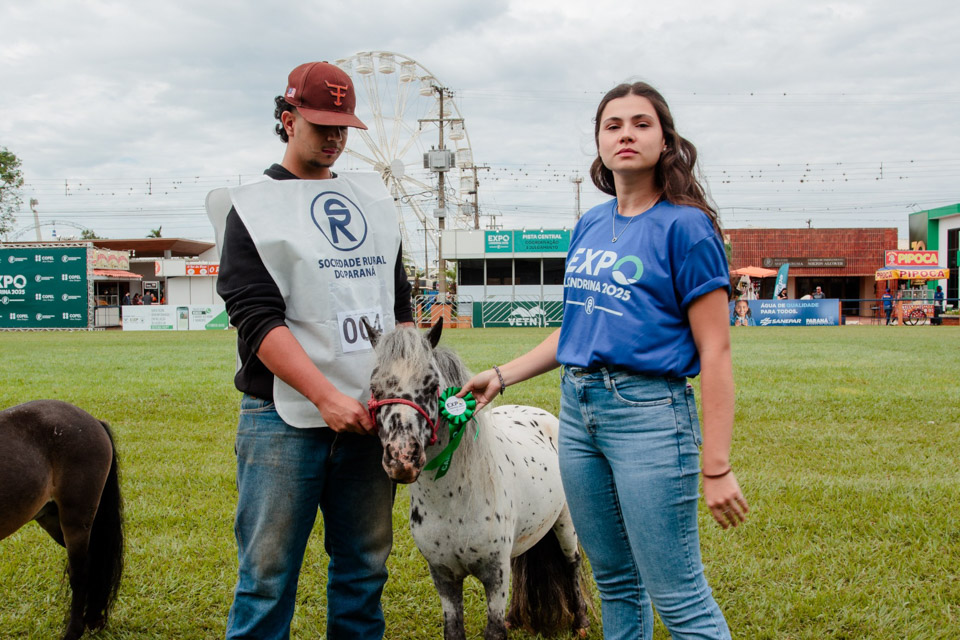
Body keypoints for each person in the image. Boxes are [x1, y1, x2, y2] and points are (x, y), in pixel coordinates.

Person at [460, 81, 747, 640]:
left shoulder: (685, 227)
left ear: (665, 139)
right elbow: (574, 328)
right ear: (598, 141)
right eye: (613, 125)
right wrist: (501, 376)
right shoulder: (591, 224)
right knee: (615, 582)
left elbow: (716, 349)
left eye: (642, 123)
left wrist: (716, 464)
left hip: (649, 416)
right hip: (579, 411)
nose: (626, 134)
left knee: (678, 595)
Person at [206, 61, 414, 640]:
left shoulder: (374, 202)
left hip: (370, 417)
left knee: (364, 572)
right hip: (282, 420)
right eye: (320, 123)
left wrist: (407, 391)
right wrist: (324, 397)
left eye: (342, 126)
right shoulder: (251, 208)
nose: (333, 138)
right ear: (286, 117)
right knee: (266, 578)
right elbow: (255, 318)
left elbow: (398, 307)